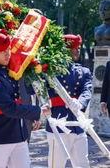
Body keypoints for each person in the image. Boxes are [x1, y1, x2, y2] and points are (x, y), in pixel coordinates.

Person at [0, 33, 51, 168]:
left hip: (17, 135)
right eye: (3, 52)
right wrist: (39, 111)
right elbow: (10, 108)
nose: (7, 54)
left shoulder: (8, 70)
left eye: (8, 50)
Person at [46, 34, 92, 168]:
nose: (78, 50)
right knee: (56, 165)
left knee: (83, 164)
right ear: (65, 50)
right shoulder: (51, 71)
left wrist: (81, 102)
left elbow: (87, 90)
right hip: (59, 124)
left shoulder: (84, 71)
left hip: (78, 124)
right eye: (74, 48)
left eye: (78, 47)